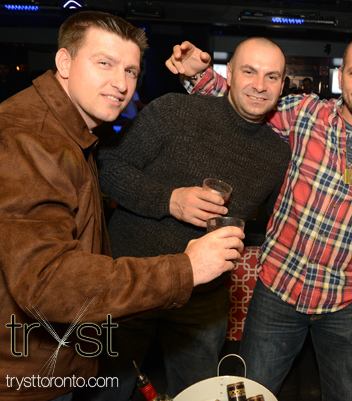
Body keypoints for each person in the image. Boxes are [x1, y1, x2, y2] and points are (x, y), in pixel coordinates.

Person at [0, 11, 243, 401]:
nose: (121, 83)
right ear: (65, 62)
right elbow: (48, 282)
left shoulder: (69, 130)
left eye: (131, 71)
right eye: (105, 63)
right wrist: (187, 267)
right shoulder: (32, 139)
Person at [166, 34, 352, 400]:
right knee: (250, 393)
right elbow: (248, 100)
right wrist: (197, 75)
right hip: (278, 289)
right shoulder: (305, 113)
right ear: (341, 76)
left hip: (347, 303)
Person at [93, 37, 291, 399]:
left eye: (272, 77)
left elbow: (279, 216)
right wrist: (169, 200)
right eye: (249, 71)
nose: (260, 85)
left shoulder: (278, 154)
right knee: (108, 389)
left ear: (282, 85)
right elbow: (107, 166)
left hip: (202, 297)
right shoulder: (175, 110)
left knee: (198, 393)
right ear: (229, 74)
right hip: (131, 279)